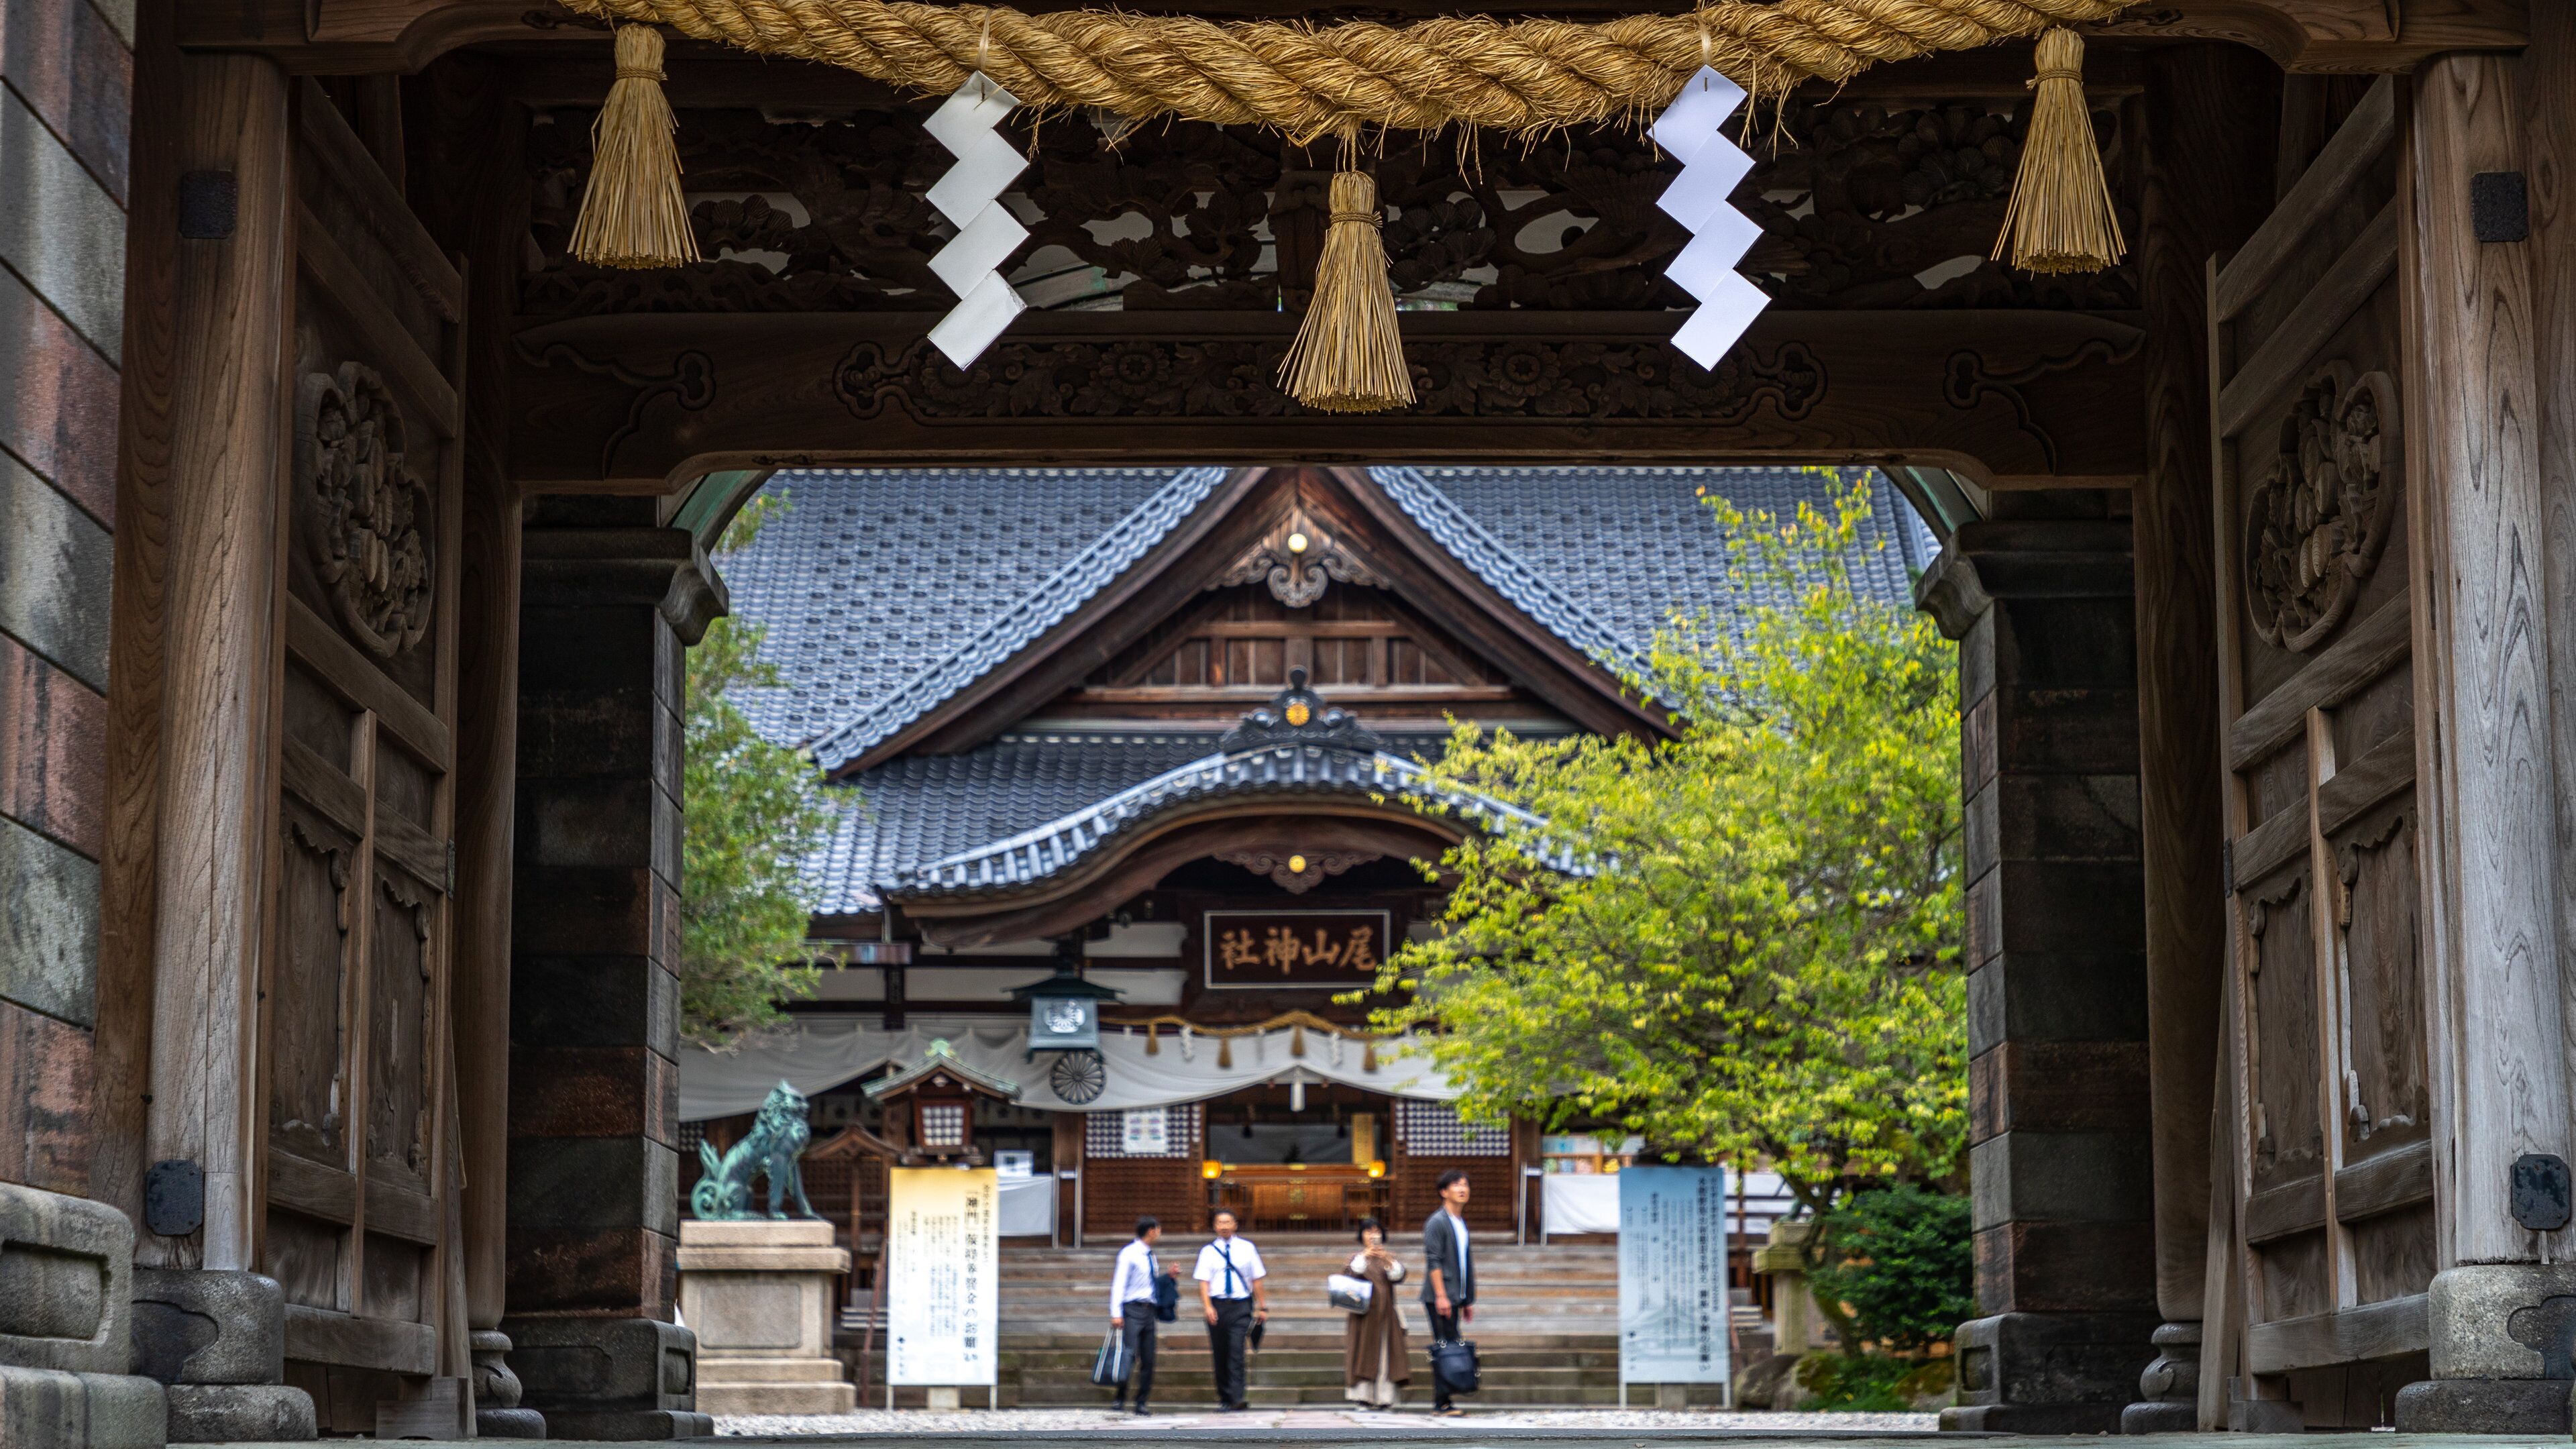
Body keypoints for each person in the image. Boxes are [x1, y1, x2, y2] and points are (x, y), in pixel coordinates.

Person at [1193, 1208, 1267, 1411]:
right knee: (1220, 1353)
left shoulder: (1247, 1248)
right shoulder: (1207, 1251)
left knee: (1237, 1351)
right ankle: (1224, 1397)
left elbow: (1257, 1278)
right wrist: (1207, 1307)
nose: (1224, 1226)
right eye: (1220, 1223)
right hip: (1217, 1306)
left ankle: (1237, 1397)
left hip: (1241, 1306)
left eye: (1228, 1222)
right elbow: (1203, 1283)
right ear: (1215, 1226)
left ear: (1235, 1224)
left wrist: (1263, 1307)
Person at [1420, 1169, 1475, 1416]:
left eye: (1465, 1185)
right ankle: (1441, 1403)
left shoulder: (1460, 1222)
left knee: (1449, 1344)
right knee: (1445, 1346)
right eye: (1456, 1185)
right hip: (1439, 1297)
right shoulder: (1437, 1221)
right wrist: (1441, 1295)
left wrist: (1466, 1299)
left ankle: (1443, 1401)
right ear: (1444, 1192)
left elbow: (1464, 1265)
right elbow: (1434, 1261)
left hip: (1455, 1295)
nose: (1463, 1189)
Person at [1342, 1217, 1411, 1409]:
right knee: (1362, 1354)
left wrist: (1388, 1260)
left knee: (1385, 1356)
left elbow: (1398, 1275)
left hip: (1386, 1317)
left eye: (1376, 1231)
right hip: (1363, 1318)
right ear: (1361, 1235)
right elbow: (1351, 1275)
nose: (1373, 1235)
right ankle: (1362, 1397)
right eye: (1368, 1231)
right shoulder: (1356, 1259)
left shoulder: (1388, 1259)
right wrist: (1365, 1255)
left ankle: (1385, 1398)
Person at [1107, 1216, 1164, 1415]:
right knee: (1128, 1355)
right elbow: (1119, 1284)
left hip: (1149, 1310)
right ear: (1151, 1231)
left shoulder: (1150, 1255)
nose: (1159, 1233)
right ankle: (1120, 1397)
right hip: (1131, 1309)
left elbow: (1149, 1282)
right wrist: (1116, 1313)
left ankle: (1142, 1401)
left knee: (1148, 1358)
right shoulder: (1129, 1253)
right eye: (1158, 1229)